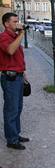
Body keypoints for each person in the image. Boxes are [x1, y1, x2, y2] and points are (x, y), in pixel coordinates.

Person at [0, 13, 30, 150]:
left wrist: (23, 73)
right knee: (11, 110)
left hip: (17, 76)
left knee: (18, 108)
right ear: (6, 24)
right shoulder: (4, 37)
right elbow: (11, 51)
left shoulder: (13, 37)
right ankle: (11, 140)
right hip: (10, 78)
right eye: (15, 21)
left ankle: (16, 134)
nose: (18, 23)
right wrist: (22, 33)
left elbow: (18, 58)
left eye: (18, 21)